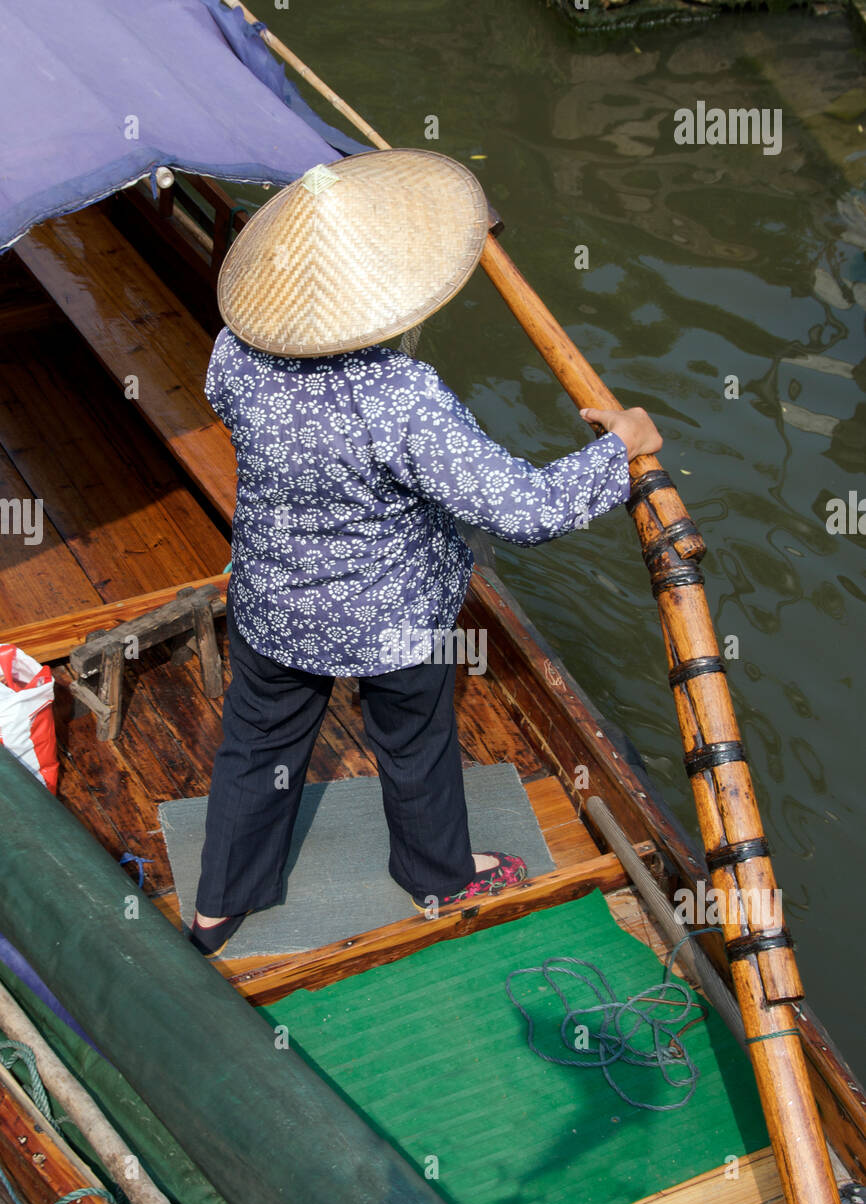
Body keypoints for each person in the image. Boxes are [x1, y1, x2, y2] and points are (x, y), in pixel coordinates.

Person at [190, 149, 662, 958]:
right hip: (393, 616)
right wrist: (619, 453)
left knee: (257, 748)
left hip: (276, 597)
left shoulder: (235, 353)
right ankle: (438, 874)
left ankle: (220, 905)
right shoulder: (400, 398)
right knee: (414, 741)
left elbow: (233, 403)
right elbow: (523, 509)